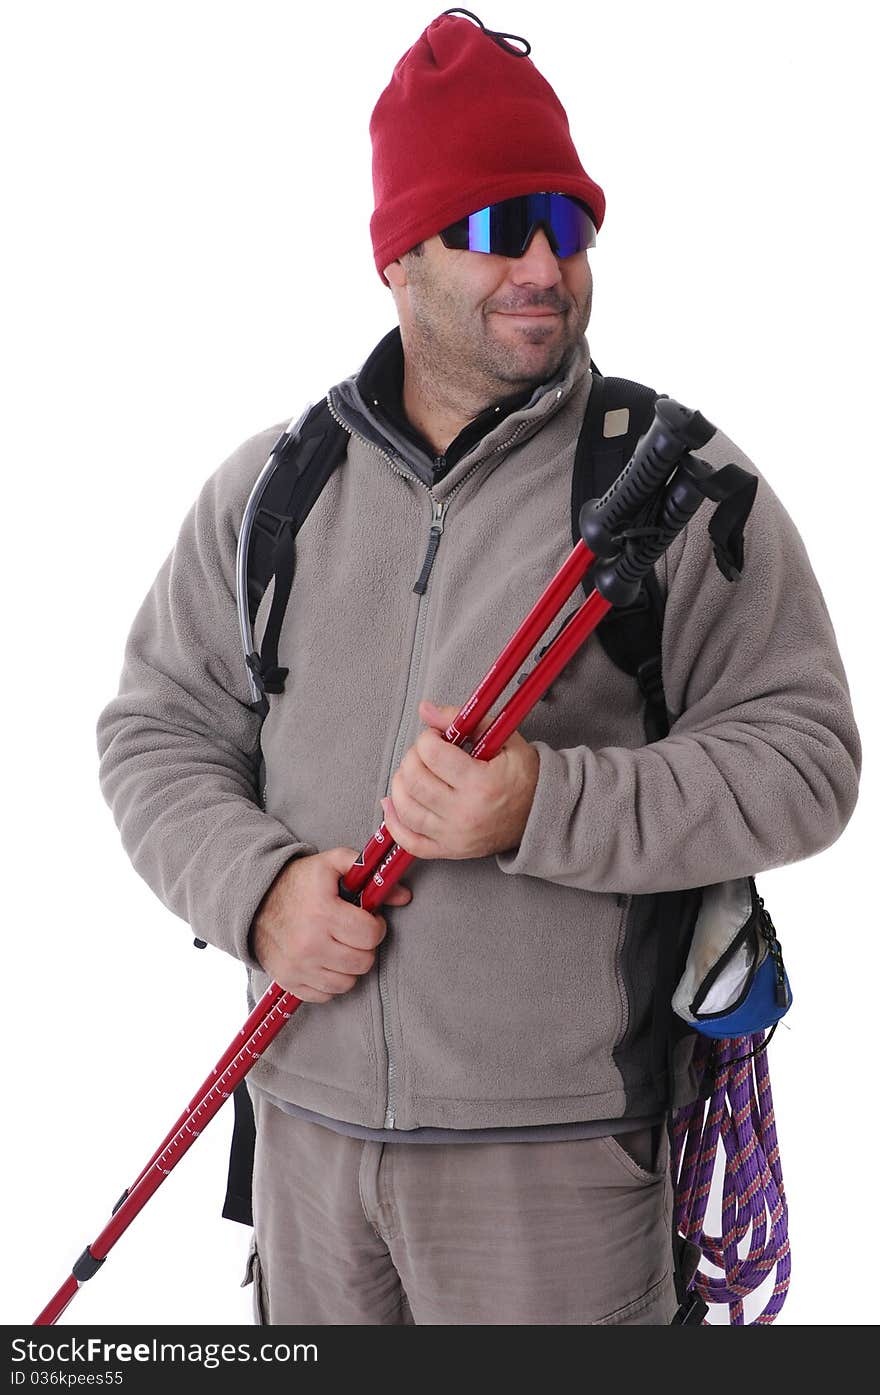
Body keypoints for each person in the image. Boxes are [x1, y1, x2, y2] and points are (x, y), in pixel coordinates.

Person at [95, 10, 861, 1326]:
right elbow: (155, 730)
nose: (547, 266)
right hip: (304, 1140)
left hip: (560, 1164)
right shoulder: (273, 491)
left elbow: (807, 764)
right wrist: (260, 892)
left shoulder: (678, 489)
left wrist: (538, 807)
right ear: (400, 256)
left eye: (570, 225)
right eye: (502, 229)